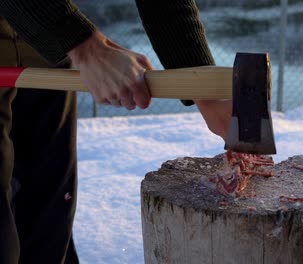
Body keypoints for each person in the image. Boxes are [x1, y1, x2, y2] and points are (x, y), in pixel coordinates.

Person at [0, 0, 231, 263]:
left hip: (43, 43)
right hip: (52, 31)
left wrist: (207, 93)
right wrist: (87, 47)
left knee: (49, 231)